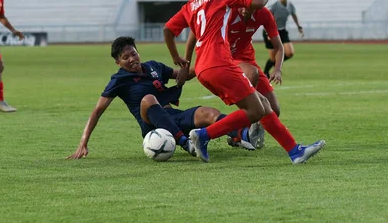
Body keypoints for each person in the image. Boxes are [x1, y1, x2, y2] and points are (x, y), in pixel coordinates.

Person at [163, 0, 325, 164]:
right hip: (220, 63)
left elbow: (168, 29)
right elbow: (258, 2)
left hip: (204, 68)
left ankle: (295, 152)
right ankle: (203, 135)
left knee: (265, 105)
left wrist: (179, 59)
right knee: (256, 110)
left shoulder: (192, 4)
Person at [67, 36, 258, 160]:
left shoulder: (153, 66)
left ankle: (241, 135)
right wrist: (83, 143)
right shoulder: (118, 80)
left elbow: (180, 75)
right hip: (151, 125)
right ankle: (186, 143)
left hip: (173, 116)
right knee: (148, 99)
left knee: (209, 112)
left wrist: (208, 66)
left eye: (133, 53)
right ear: (118, 62)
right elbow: (97, 111)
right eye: (126, 57)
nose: (132, 59)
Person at [263, 0, 304, 78]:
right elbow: (265, 18)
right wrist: (267, 32)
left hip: (282, 31)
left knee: (290, 53)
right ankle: (265, 72)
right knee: (273, 58)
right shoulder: (274, 6)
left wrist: (299, 26)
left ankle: (276, 66)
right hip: (271, 32)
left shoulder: (290, 5)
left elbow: (293, 15)